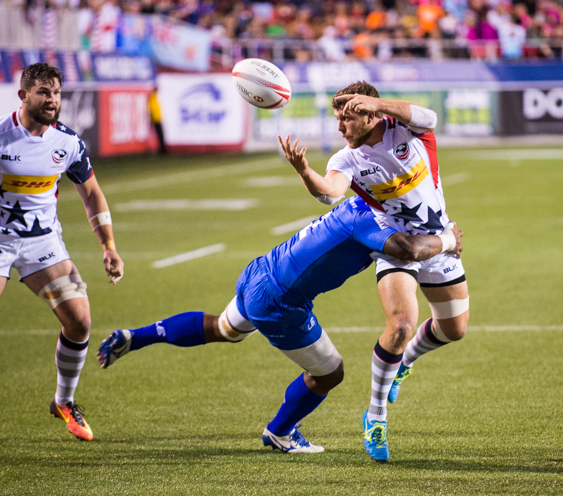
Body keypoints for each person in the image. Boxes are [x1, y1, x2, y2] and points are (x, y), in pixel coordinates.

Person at [98, 196, 462, 454]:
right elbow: (407, 249)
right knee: (331, 373)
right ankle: (280, 432)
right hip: (280, 302)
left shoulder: (352, 205)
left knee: (224, 329)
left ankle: (136, 337)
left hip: (260, 272)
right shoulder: (368, 220)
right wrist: (447, 239)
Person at [0, 62, 125, 447]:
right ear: (23, 96)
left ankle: (64, 401)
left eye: (56, 93)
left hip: (43, 243)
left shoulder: (67, 142)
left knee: (81, 321)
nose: (52, 100)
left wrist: (109, 246)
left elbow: (91, 193)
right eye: (43, 92)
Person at [278, 81, 470, 462]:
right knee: (401, 324)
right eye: (337, 119)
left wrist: (380, 102)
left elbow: (430, 117)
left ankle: (406, 361)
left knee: (455, 330)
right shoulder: (346, 159)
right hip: (394, 246)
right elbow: (329, 192)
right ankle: (375, 416)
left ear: (370, 113)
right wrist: (303, 170)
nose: (339, 127)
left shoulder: (409, 133)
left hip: (438, 240)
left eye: (346, 119)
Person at [148, 87, 165, 154]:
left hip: (157, 118)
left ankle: (162, 149)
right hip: (156, 118)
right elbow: (152, 109)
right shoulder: (153, 97)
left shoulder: (153, 98)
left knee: (160, 134)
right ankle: (162, 149)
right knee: (160, 134)